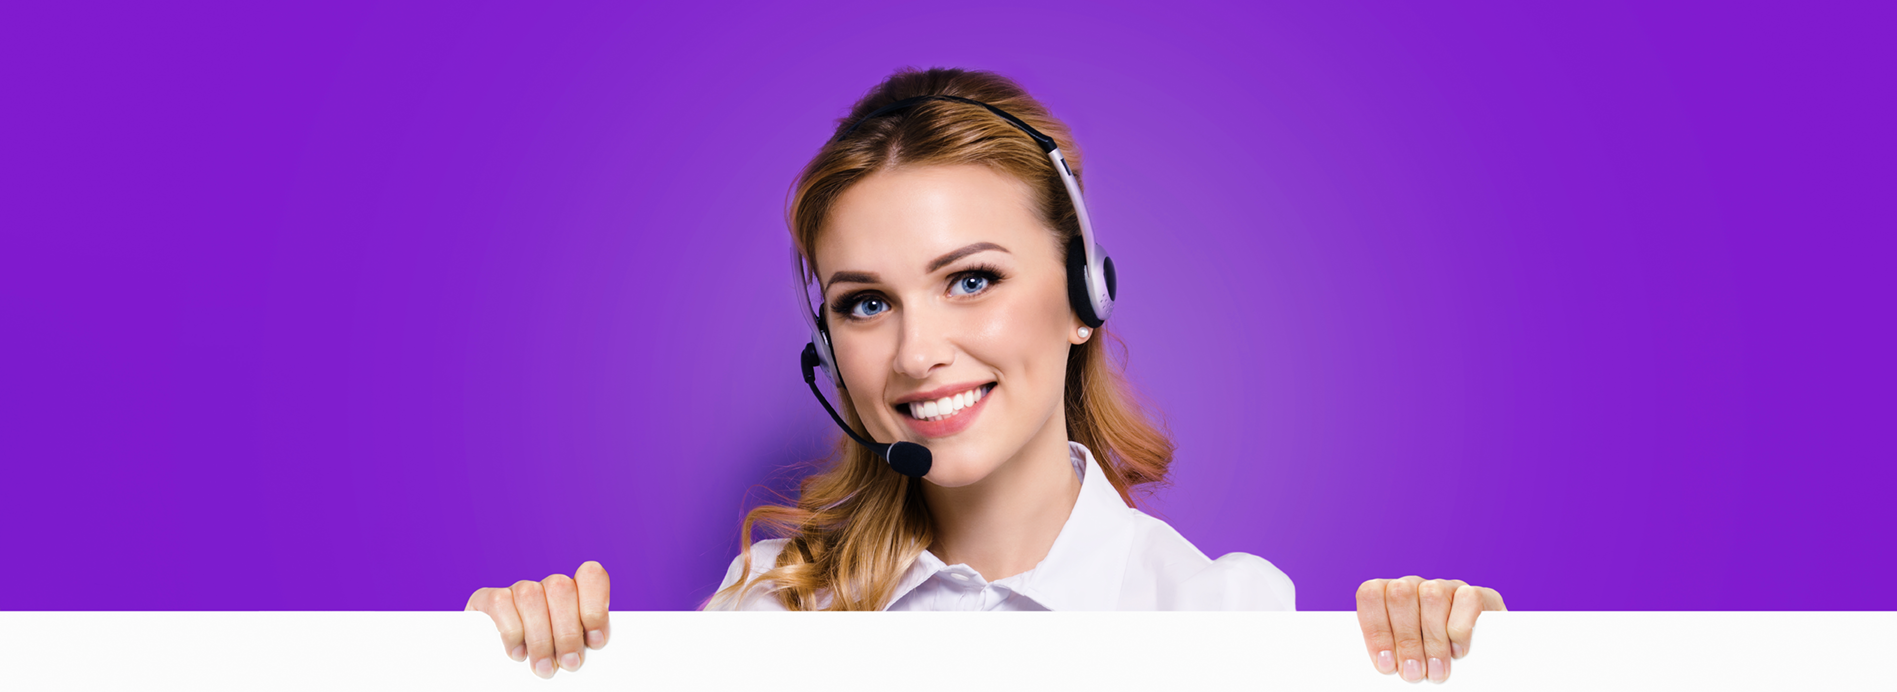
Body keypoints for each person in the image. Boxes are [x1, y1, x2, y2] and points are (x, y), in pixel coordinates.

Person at [465, 67, 1506, 683]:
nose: (917, 351)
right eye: (865, 301)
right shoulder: (767, 613)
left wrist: (1471, 662)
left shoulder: (1222, 617)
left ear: (1083, 293)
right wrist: (522, 659)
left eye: (970, 278)